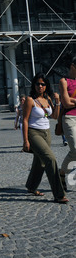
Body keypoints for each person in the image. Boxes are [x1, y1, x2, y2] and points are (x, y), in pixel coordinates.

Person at [22, 72, 68, 204]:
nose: (40, 86)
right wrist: (25, 140)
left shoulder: (47, 99)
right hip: (33, 133)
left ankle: (31, 186)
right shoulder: (30, 100)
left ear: (46, 85)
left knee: (40, 161)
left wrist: (58, 102)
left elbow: (54, 116)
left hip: (46, 133)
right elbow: (25, 120)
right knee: (50, 159)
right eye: (38, 84)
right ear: (34, 85)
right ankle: (59, 194)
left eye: (43, 84)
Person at [59, 52, 76, 191]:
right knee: (75, 149)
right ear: (72, 66)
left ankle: (63, 174)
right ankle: (62, 173)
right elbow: (65, 103)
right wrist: (70, 101)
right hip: (69, 117)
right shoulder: (64, 81)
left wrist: (73, 101)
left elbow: (70, 101)